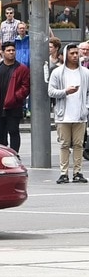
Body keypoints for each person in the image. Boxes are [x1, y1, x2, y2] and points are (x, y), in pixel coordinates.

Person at [48, 44, 89, 184]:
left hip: (80, 115)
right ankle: (63, 173)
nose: (75, 56)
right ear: (66, 55)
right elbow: (51, 91)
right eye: (72, 53)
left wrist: (86, 106)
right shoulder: (58, 72)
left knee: (78, 145)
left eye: (76, 53)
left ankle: (78, 172)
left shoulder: (85, 72)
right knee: (64, 144)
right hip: (63, 115)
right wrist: (65, 91)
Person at [0, 42, 30, 153]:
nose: (11, 52)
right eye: (8, 50)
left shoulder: (22, 69)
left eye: (13, 50)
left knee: (13, 131)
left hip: (14, 107)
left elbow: (25, 87)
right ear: (2, 52)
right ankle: (1, 156)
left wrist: (15, 97)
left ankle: (14, 155)